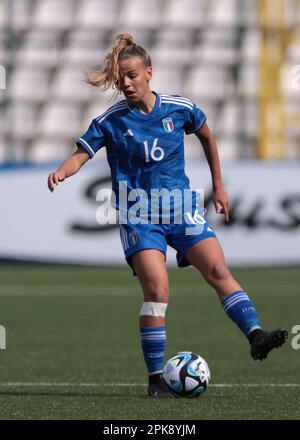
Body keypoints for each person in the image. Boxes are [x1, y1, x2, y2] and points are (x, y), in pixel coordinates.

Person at [48, 34, 288, 398]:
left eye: (132, 76)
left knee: (219, 271)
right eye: (120, 79)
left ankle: (256, 336)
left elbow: (207, 136)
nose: (126, 84)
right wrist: (64, 171)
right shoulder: (112, 120)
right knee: (158, 291)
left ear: (149, 72)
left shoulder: (179, 108)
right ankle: (155, 379)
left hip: (181, 209)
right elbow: (82, 152)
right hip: (139, 216)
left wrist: (219, 186)